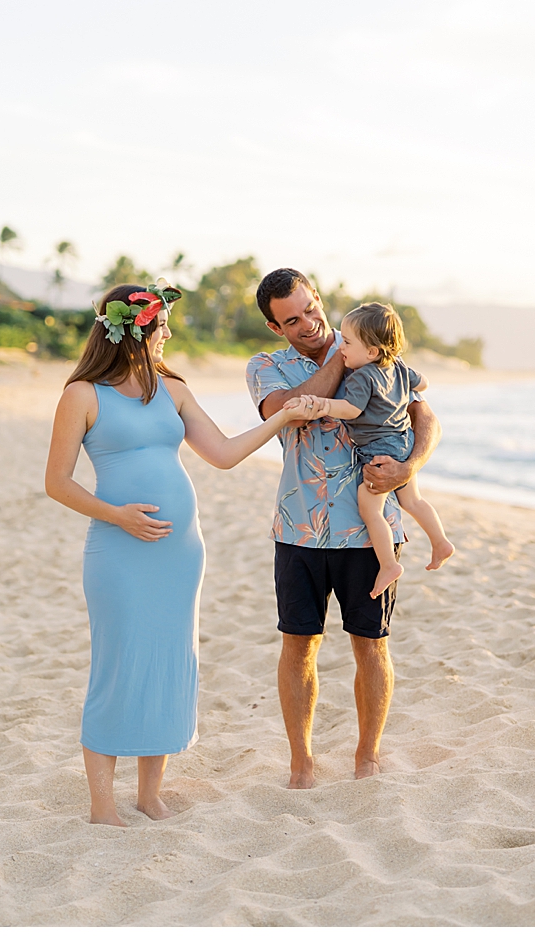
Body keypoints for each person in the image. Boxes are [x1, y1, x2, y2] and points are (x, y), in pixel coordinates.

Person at [45, 280, 320, 826]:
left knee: (171, 663)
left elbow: (221, 453)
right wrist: (117, 514)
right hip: (119, 552)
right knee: (119, 666)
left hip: (179, 553)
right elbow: (57, 482)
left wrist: (280, 420)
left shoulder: (172, 388)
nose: (168, 335)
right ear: (134, 329)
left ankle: (149, 796)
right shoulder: (82, 394)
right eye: (162, 326)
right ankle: (103, 805)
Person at [246, 268, 443, 788]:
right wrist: (340, 358)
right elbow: (288, 411)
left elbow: (427, 417)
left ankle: (368, 755)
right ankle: (301, 761)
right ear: (276, 327)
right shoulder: (267, 365)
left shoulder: (372, 341)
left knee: (371, 644)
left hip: (369, 531)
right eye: (293, 319)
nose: (309, 323)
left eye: (312, 309)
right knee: (298, 645)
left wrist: (411, 467)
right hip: (299, 532)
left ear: (319, 299)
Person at [314, 302, 455, 598]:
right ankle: (440, 541)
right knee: (413, 500)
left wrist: (325, 404)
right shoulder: (399, 367)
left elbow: (351, 409)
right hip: (403, 442)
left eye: (348, 343)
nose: (342, 348)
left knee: (369, 506)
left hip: (379, 450)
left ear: (372, 352)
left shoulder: (363, 377)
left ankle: (388, 564)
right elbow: (424, 382)